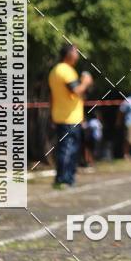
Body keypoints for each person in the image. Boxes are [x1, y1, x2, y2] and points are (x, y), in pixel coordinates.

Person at [48, 44, 93, 188]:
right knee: (69, 149)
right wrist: (85, 82)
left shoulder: (55, 71)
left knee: (65, 148)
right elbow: (77, 90)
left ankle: (63, 178)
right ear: (68, 54)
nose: (78, 54)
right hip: (69, 118)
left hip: (62, 116)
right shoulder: (66, 70)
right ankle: (64, 179)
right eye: (75, 51)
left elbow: (53, 96)